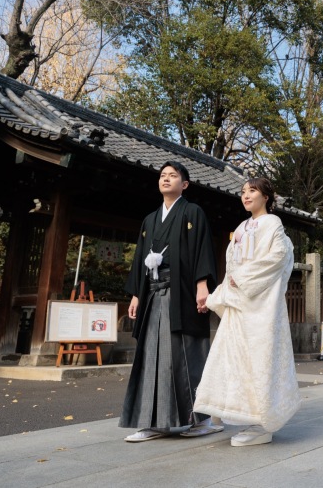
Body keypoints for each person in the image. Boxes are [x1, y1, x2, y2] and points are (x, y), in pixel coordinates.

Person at [193, 177, 301, 447]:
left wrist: (242, 278)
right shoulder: (241, 227)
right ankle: (238, 414)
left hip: (261, 304)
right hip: (240, 302)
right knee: (233, 358)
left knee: (259, 359)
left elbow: (276, 257)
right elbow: (231, 267)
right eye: (243, 192)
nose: (246, 195)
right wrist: (220, 294)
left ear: (266, 196)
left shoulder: (273, 224)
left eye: (252, 190)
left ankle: (262, 423)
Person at [120, 161, 222, 442]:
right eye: (163, 176)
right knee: (151, 355)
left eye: (173, 175)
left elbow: (202, 248)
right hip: (153, 294)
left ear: (184, 184)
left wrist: (203, 284)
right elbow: (140, 257)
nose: (166, 179)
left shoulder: (192, 213)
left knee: (186, 354)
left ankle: (200, 420)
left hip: (183, 294)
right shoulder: (150, 219)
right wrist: (137, 294)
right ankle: (153, 422)